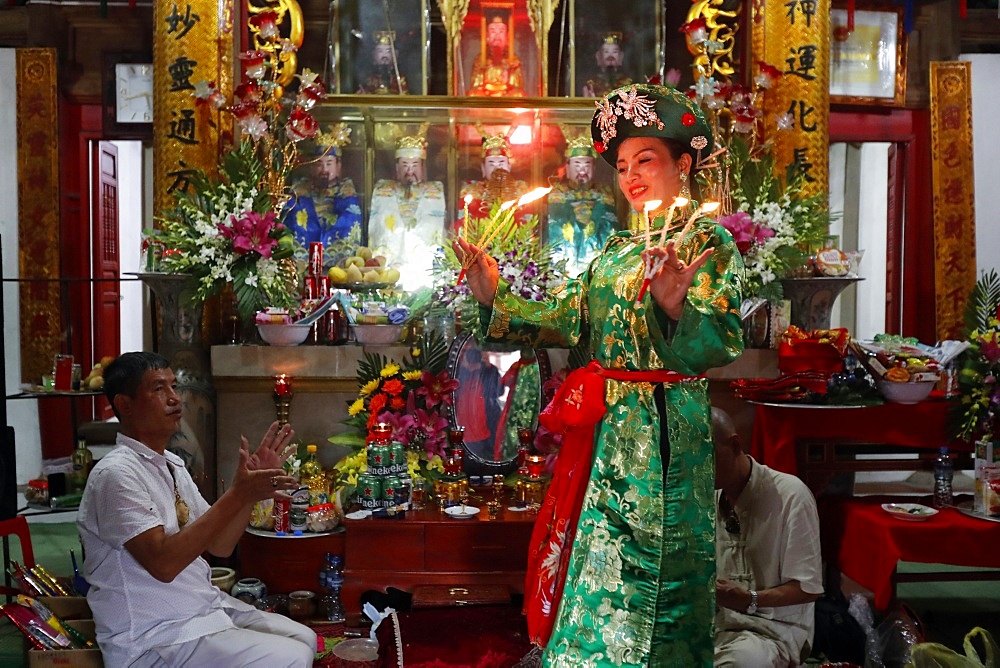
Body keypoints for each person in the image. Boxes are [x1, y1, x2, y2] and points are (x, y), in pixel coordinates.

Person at [454, 83, 744, 666]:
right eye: (623, 164)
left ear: (682, 163)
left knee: (657, 579)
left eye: (647, 160)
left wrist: (676, 308)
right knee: (595, 566)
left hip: (665, 432)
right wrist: (495, 296)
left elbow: (721, 342)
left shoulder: (706, 241)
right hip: (607, 432)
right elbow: (564, 316)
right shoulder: (613, 252)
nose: (631, 176)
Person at [77, 351, 316, 667]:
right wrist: (236, 494)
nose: (175, 398)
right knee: (294, 657)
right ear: (125, 404)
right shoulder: (116, 475)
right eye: (159, 389)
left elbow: (220, 545)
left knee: (306, 639)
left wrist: (248, 495)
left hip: (197, 610)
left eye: (174, 387)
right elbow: (163, 564)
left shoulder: (172, 464)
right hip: (154, 638)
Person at [712, 406, 824, 667]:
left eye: (708, 457)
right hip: (716, 624)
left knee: (741, 663)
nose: (700, 469)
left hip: (773, 629)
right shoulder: (705, 495)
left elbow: (806, 589)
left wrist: (748, 599)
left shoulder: (791, 495)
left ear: (735, 444)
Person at [367, 124, 445, 290]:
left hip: (423, 275)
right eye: (404, 165)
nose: (410, 171)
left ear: (423, 167)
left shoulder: (435, 191)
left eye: (415, 165)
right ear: (396, 168)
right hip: (390, 271)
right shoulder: (383, 189)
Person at [284, 123, 363, 268]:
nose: (324, 169)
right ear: (312, 166)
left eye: (329, 163)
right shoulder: (300, 188)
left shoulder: (346, 190)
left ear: (338, 166)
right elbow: (289, 221)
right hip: (303, 265)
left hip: (336, 266)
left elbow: (350, 220)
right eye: (319, 164)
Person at [546, 127, 619, 276]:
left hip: (595, 248)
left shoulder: (603, 191)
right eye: (577, 165)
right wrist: (573, 226)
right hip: (568, 249)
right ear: (567, 167)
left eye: (587, 165)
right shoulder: (558, 192)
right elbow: (555, 220)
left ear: (593, 166)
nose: (582, 170)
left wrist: (594, 222)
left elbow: (610, 220)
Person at [457, 126, 528, 233]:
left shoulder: (520, 189)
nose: (497, 168)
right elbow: (463, 222)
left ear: (509, 167)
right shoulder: (471, 190)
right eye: (491, 164)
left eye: (501, 163)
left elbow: (529, 219)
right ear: (483, 168)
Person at [468, 14, 525, 97]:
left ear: (507, 37)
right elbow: (476, 84)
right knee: (473, 94)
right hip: (486, 95)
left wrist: (508, 73)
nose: (497, 36)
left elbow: (517, 86)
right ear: (487, 36)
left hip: (506, 95)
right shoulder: (480, 59)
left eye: (501, 32)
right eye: (493, 31)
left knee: (518, 94)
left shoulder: (513, 59)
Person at [582, 32, 632, 97]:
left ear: (621, 57)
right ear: (598, 57)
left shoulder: (628, 84)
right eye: (606, 52)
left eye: (615, 52)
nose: (610, 56)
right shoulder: (591, 84)